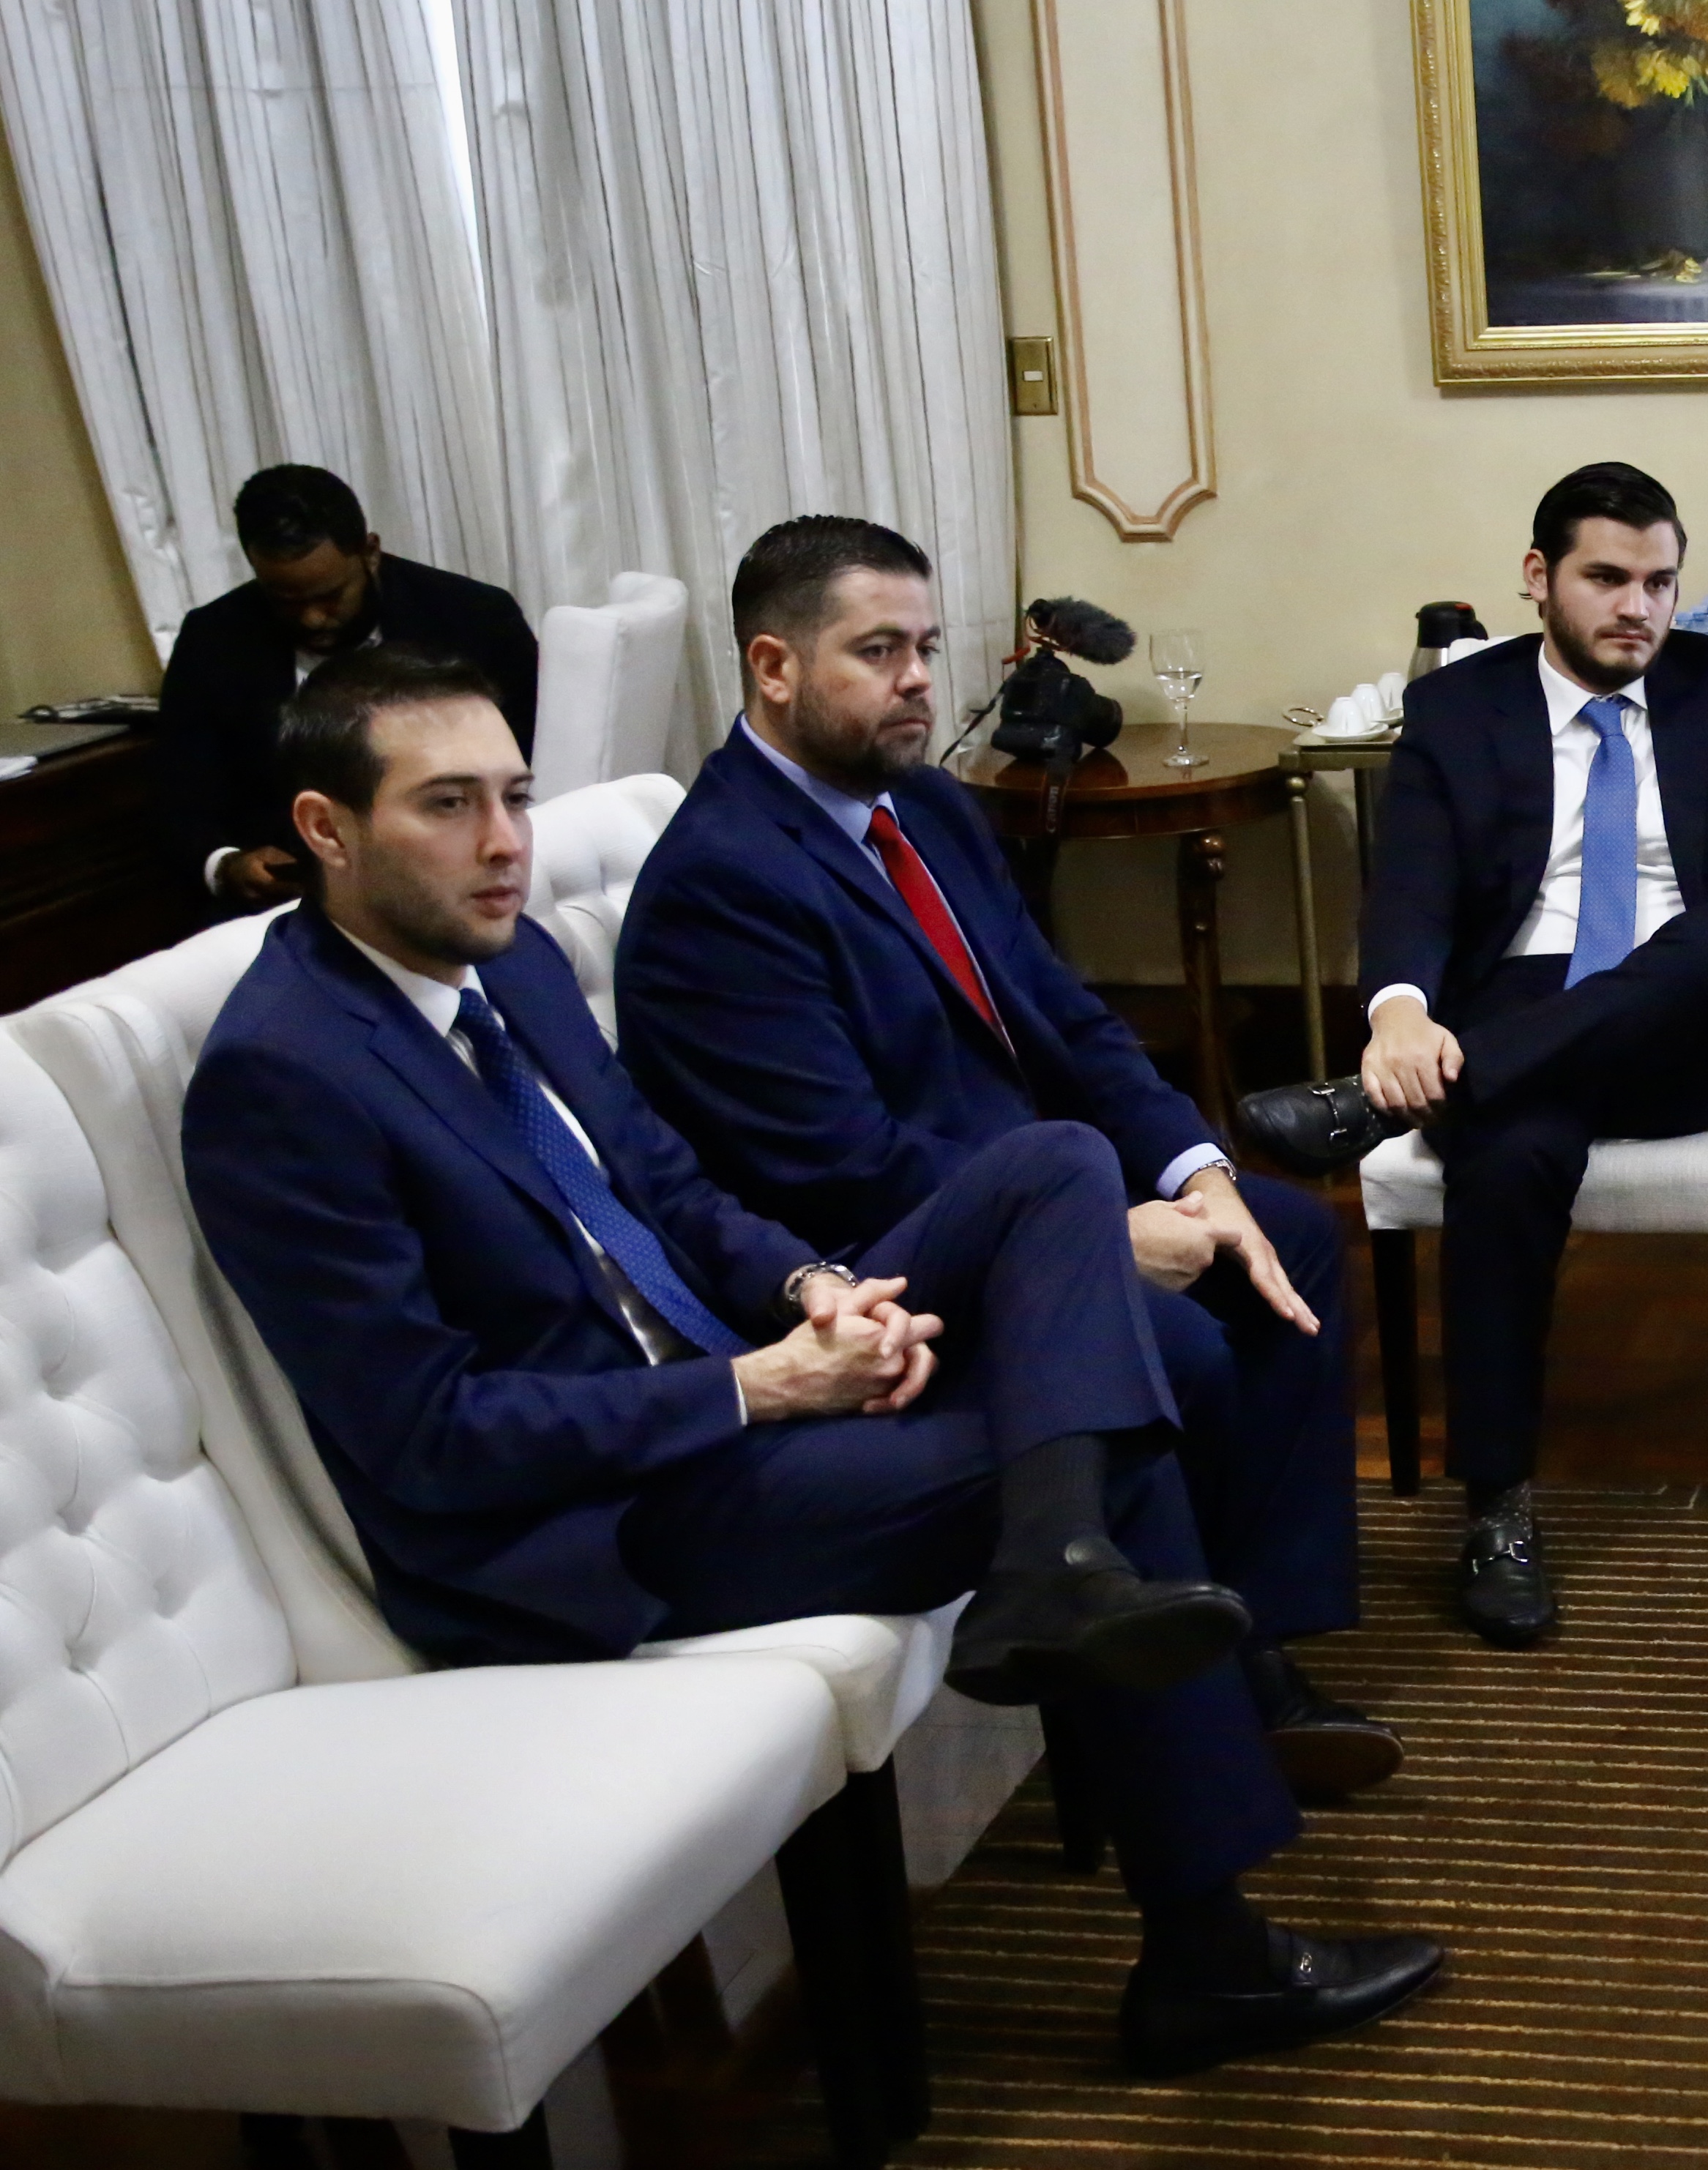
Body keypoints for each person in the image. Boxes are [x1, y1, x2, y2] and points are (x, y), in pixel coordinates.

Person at [182, 645, 1442, 2070]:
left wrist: (814, 1288)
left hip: (730, 1377)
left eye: (515, 797)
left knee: (1052, 1166)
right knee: (1095, 1437)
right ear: (326, 829)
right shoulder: (283, 1078)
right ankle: (1204, 1942)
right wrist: (757, 1384)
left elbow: (666, 1185)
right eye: (447, 804)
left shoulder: (504, 956)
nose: (502, 843)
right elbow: (434, 1439)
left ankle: (1055, 1574)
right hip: (593, 1521)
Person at [612, 518, 1387, 1801]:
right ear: (774, 666)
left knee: (1286, 1238)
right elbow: (844, 1164)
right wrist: (1093, 1234)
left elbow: (1066, 1017)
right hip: (878, 1256)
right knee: (1184, 1340)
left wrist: (1195, 1173)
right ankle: (1199, 1702)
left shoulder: (922, 803)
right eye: (878, 651)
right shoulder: (722, 881)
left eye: (926, 647)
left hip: (1027, 1183)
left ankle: (1254, 1638)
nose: (919, 678)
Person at [1232, 462, 1708, 1649]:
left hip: (1704, 1017)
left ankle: (1381, 1106)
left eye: (1659, 582)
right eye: (1606, 578)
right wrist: (1396, 1017)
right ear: (1539, 577)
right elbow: (1411, 892)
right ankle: (1498, 1510)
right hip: (1523, 1007)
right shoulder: (1457, 709)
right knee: (1508, 1152)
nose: (1637, 606)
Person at [159, 463, 539, 913]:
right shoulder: (212, 640)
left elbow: (527, 764)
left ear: (370, 553)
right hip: (289, 902)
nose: (312, 618)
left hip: (457, 874)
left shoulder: (476, 620)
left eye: (331, 596)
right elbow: (181, 795)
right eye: (286, 601)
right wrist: (226, 865)